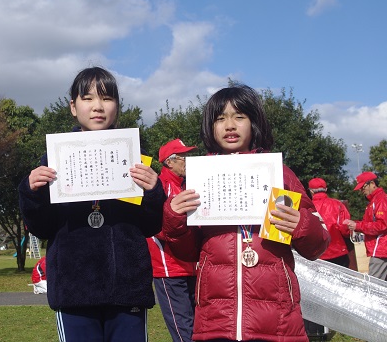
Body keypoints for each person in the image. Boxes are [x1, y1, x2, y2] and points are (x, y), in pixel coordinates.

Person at [166, 84, 329, 342]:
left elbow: (317, 245)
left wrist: (301, 225)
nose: (230, 125)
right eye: (220, 118)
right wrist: (175, 219)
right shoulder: (198, 179)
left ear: (254, 122)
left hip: (277, 320)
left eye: (239, 116)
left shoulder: (281, 175)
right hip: (216, 320)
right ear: (210, 127)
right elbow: (186, 253)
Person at [18, 66, 166, 342]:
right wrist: (32, 191)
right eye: (88, 98)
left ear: (118, 106)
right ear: (73, 107)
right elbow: (42, 227)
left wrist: (154, 191)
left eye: (107, 98)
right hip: (75, 288)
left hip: (127, 286)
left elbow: (150, 225)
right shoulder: (53, 159)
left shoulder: (134, 156)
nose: (98, 106)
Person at [147, 139, 198, 342]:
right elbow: (156, 227)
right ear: (169, 162)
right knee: (183, 329)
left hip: (193, 268)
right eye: (183, 157)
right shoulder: (158, 187)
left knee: (199, 326)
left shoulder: (189, 184)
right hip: (169, 269)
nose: (188, 161)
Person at [343, 171, 387, 281]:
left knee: (373, 286)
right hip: (381, 249)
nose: (362, 191)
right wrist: (356, 224)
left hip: (381, 250)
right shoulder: (375, 201)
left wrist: (357, 226)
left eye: (363, 187)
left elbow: (382, 225)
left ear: (372, 183)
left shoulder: (380, 200)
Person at [308, 177, 351, 267]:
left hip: (317, 255)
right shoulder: (338, 204)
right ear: (326, 189)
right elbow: (345, 229)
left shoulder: (307, 208)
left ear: (311, 191)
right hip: (339, 252)